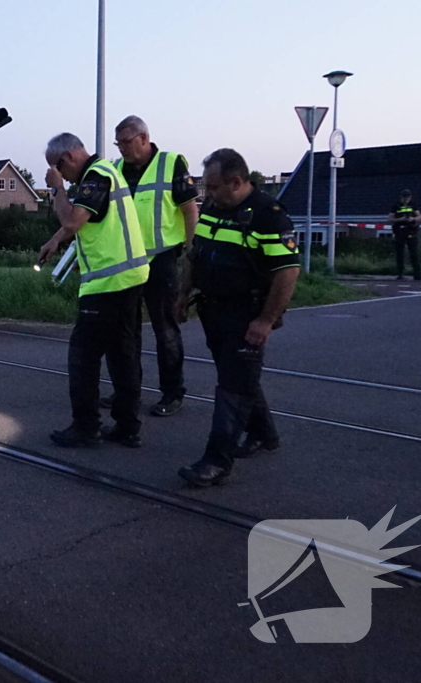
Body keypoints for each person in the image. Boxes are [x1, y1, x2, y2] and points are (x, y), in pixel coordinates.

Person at [175, 149, 300, 487]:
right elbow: (195, 254)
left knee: (232, 387)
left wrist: (265, 320)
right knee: (238, 378)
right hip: (214, 310)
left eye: (213, 187)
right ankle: (264, 434)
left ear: (238, 181)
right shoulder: (216, 207)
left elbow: (287, 272)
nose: (208, 195)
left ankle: (216, 461)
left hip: (248, 314)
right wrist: (183, 294)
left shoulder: (268, 216)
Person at [38, 133, 150, 448]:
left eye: (57, 167)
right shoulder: (106, 173)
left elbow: (74, 220)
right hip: (128, 277)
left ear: (68, 157)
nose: (59, 174)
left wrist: (57, 189)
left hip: (107, 284)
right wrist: (56, 240)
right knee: (121, 356)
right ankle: (128, 426)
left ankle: (86, 426)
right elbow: (84, 221)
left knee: (83, 357)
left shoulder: (95, 176)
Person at [101, 116, 200, 417]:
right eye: (118, 145)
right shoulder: (115, 170)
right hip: (127, 263)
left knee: (165, 329)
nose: (122, 150)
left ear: (144, 138)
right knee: (125, 331)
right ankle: (127, 391)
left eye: (127, 143)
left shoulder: (171, 164)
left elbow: (189, 210)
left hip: (162, 260)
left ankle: (172, 393)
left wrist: (189, 250)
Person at [388, 190, 421, 281]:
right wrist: (401, 219)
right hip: (400, 231)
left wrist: (413, 219)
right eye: (404, 197)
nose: (406, 199)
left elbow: (419, 216)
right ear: (401, 197)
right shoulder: (396, 206)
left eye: (408, 197)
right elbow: (390, 219)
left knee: (414, 253)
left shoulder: (413, 205)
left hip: (411, 230)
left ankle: (417, 273)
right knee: (400, 253)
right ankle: (400, 273)